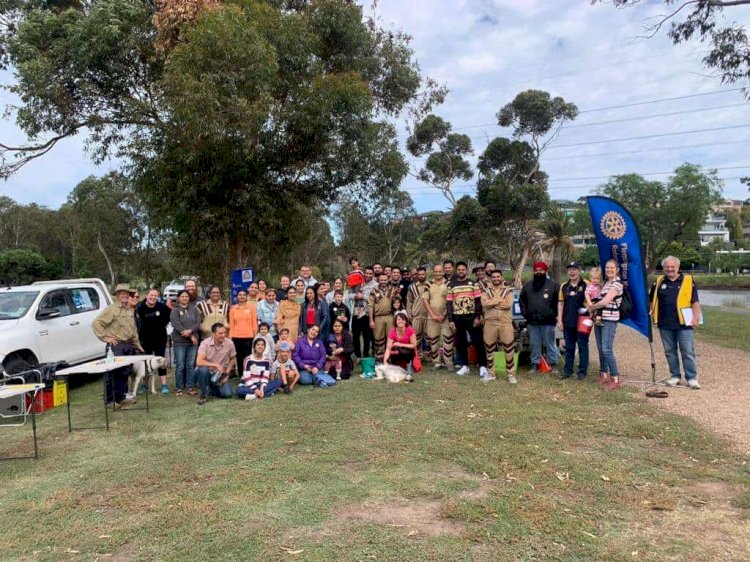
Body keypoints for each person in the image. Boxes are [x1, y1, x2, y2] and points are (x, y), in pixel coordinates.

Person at [650, 255, 702, 389]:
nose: (670, 269)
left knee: (687, 351)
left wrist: (696, 317)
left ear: (678, 267)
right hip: (665, 323)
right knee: (670, 351)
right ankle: (675, 376)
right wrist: (650, 313)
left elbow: (695, 301)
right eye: (667, 267)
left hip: (684, 323)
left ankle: (691, 378)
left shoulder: (688, 280)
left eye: (672, 267)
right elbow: (651, 300)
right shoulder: (659, 281)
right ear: (663, 268)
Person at [91, 283, 143, 407]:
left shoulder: (129, 310)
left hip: (128, 345)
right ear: (117, 295)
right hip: (116, 345)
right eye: (122, 293)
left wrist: (137, 345)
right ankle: (110, 400)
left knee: (125, 372)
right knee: (113, 372)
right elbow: (96, 323)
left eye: (127, 293)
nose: (125, 295)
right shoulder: (111, 309)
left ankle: (121, 397)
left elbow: (133, 329)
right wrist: (105, 338)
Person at [446, 262, 488, 378]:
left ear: (466, 271)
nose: (461, 271)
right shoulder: (451, 285)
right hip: (458, 318)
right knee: (461, 343)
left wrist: (477, 316)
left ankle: (483, 366)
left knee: (478, 341)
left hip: (472, 317)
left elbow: (478, 302)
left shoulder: (473, 284)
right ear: (456, 271)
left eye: (463, 269)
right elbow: (449, 303)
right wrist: (450, 320)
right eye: (459, 270)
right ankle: (465, 366)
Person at [589, 259, 624, 390]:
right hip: (599, 318)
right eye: (607, 268)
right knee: (599, 347)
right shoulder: (605, 283)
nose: (609, 270)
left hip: (610, 319)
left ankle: (615, 378)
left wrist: (591, 307)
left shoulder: (617, 284)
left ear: (617, 269)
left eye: (612, 268)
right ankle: (603, 374)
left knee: (606, 348)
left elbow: (604, 302)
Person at [520, 262, 559, 374]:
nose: (538, 272)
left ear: (545, 271)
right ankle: (535, 365)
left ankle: (553, 364)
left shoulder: (554, 285)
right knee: (534, 344)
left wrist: (555, 314)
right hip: (532, 321)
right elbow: (522, 300)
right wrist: (525, 313)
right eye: (536, 270)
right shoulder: (528, 285)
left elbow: (559, 302)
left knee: (550, 343)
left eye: (541, 270)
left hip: (548, 321)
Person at [481, 269, 516, 384]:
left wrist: (492, 302)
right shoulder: (486, 290)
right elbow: (485, 304)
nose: (496, 279)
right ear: (491, 278)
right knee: (489, 349)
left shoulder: (508, 290)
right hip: (490, 323)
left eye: (498, 277)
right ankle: (491, 373)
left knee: (509, 348)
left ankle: (511, 374)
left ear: (501, 277)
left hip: (505, 322)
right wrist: (499, 301)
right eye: (494, 277)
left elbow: (509, 304)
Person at [557, 262, 590, 380]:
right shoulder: (564, 286)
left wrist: (590, 313)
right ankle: (567, 371)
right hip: (568, 321)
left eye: (574, 269)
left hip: (583, 321)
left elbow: (592, 300)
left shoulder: (586, 284)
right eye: (570, 270)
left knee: (582, 346)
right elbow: (560, 303)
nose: (572, 272)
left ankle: (582, 372)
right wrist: (560, 320)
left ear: (579, 270)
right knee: (569, 347)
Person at [136, 288, 171, 394]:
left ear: (158, 297)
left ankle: (164, 385)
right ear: (147, 296)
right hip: (145, 340)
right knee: (146, 363)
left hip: (160, 339)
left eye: (155, 296)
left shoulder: (162, 307)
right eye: (151, 295)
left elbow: (167, 321)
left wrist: (169, 309)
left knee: (160, 361)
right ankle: (145, 385)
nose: (153, 297)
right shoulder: (140, 308)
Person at [195, 323, 236, 404]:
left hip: (219, 374)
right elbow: (199, 361)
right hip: (205, 372)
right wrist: (216, 365)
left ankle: (211, 388)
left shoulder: (229, 343)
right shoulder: (205, 343)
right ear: (213, 334)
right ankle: (204, 394)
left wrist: (226, 374)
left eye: (225, 332)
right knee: (203, 369)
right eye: (220, 333)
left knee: (228, 394)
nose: (223, 335)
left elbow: (232, 359)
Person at [170, 289, 201, 396]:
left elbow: (198, 323)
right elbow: (177, 325)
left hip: (192, 343)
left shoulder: (194, 309)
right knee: (180, 366)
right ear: (179, 298)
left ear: (189, 298)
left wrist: (191, 331)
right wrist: (190, 335)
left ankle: (190, 387)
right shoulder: (175, 310)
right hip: (180, 342)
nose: (184, 298)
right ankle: (179, 387)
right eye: (182, 296)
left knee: (190, 365)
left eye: (186, 296)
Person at [423, 263, 454, 370]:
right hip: (432, 317)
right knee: (433, 340)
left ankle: (449, 363)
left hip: (446, 317)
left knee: (448, 339)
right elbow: (425, 301)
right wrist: (432, 315)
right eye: (436, 271)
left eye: (440, 271)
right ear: (433, 272)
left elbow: (451, 300)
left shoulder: (449, 283)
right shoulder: (428, 284)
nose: (438, 273)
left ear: (443, 272)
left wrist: (444, 315)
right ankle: (436, 362)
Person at [229, 289, 258, 376]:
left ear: (246, 297)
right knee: (239, 357)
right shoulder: (233, 309)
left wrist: (255, 334)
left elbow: (254, 322)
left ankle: (249, 375)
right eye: (240, 295)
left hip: (249, 336)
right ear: (237, 297)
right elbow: (232, 324)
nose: (242, 296)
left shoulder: (251, 308)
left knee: (248, 357)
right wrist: (231, 337)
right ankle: (242, 376)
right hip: (236, 337)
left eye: (244, 295)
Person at [369, 273, 396, 362]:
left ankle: (390, 358)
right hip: (378, 317)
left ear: (388, 279)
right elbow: (371, 306)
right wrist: (371, 320)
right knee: (378, 338)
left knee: (391, 338)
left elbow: (397, 303)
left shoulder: (393, 290)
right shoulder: (374, 291)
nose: (383, 282)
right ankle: (379, 358)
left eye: (385, 280)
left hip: (390, 316)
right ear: (378, 280)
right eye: (381, 280)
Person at [406, 266, 429, 361]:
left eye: (423, 274)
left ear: (426, 274)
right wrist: (409, 313)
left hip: (428, 315)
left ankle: (429, 355)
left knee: (429, 337)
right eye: (419, 274)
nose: (421, 276)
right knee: (416, 337)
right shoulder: (412, 287)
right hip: (416, 315)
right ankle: (418, 356)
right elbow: (409, 301)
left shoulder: (430, 285)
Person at [352, 288, 372, 359]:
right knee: (355, 337)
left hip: (365, 315)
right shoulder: (352, 288)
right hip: (355, 316)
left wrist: (362, 296)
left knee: (366, 336)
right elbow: (347, 296)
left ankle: (366, 354)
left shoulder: (369, 287)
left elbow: (371, 299)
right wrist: (355, 295)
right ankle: (358, 355)